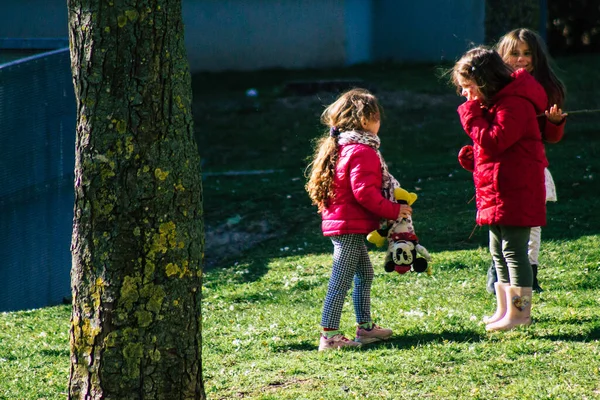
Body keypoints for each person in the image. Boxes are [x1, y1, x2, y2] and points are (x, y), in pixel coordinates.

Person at [305, 88, 411, 350]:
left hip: (345, 224)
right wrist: (393, 211)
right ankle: (329, 337)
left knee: (365, 273)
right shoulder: (362, 151)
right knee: (340, 280)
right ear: (366, 120)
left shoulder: (342, 147)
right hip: (348, 227)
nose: (379, 123)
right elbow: (364, 193)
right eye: (377, 117)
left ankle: (365, 328)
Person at [453, 47, 548, 331]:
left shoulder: (514, 104)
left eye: (469, 88)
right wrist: (475, 156)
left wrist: (470, 116)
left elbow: (496, 140)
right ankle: (504, 309)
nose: (465, 95)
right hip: (498, 189)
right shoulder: (495, 105)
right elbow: (495, 147)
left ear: (485, 81)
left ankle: (520, 313)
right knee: (497, 250)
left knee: (514, 251)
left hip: (517, 190)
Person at [485, 28, 568, 294]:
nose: (521, 59)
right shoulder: (494, 87)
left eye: (527, 53)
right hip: (500, 168)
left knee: (530, 226)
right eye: (514, 53)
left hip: (530, 166)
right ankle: (499, 278)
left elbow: (549, 137)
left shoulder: (546, 88)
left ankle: (527, 278)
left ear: (537, 56)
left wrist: (555, 123)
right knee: (498, 225)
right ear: (502, 56)